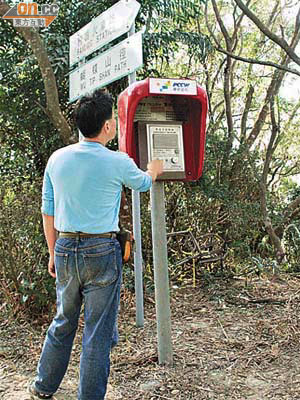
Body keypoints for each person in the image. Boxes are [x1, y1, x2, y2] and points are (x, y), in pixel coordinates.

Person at [28, 89, 163, 400]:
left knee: (63, 321)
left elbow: (47, 209)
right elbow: (143, 182)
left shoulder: (57, 159)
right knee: (97, 333)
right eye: (113, 120)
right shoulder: (117, 161)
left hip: (64, 247)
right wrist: (154, 169)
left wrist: (53, 252)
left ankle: (43, 386)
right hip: (101, 252)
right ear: (107, 127)